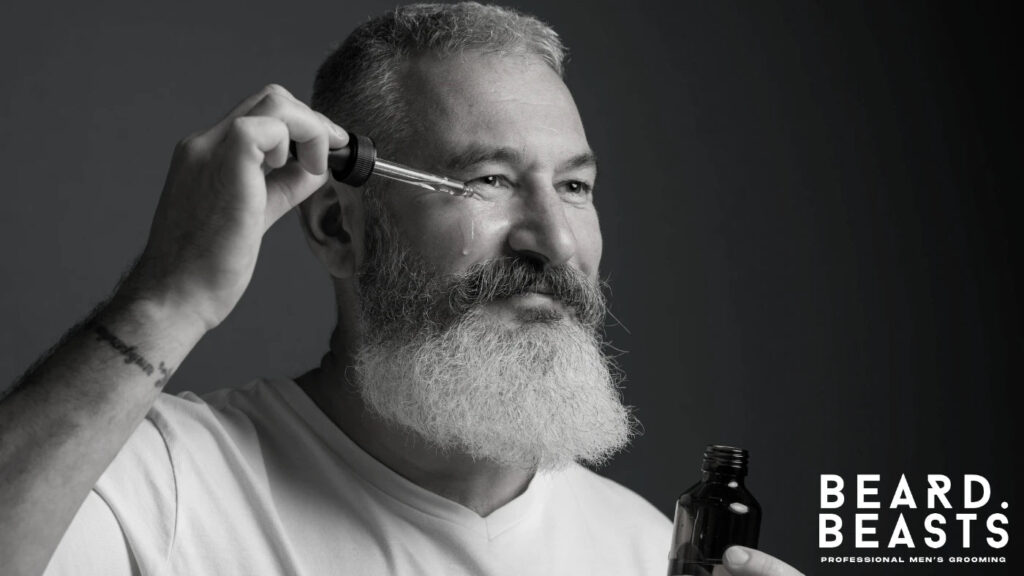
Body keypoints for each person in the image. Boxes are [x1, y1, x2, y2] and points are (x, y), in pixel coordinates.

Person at [0, 3, 802, 575]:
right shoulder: (161, 486)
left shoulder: (642, 547)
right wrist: (164, 299)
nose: (554, 242)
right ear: (339, 229)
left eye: (575, 188)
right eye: (487, 180)